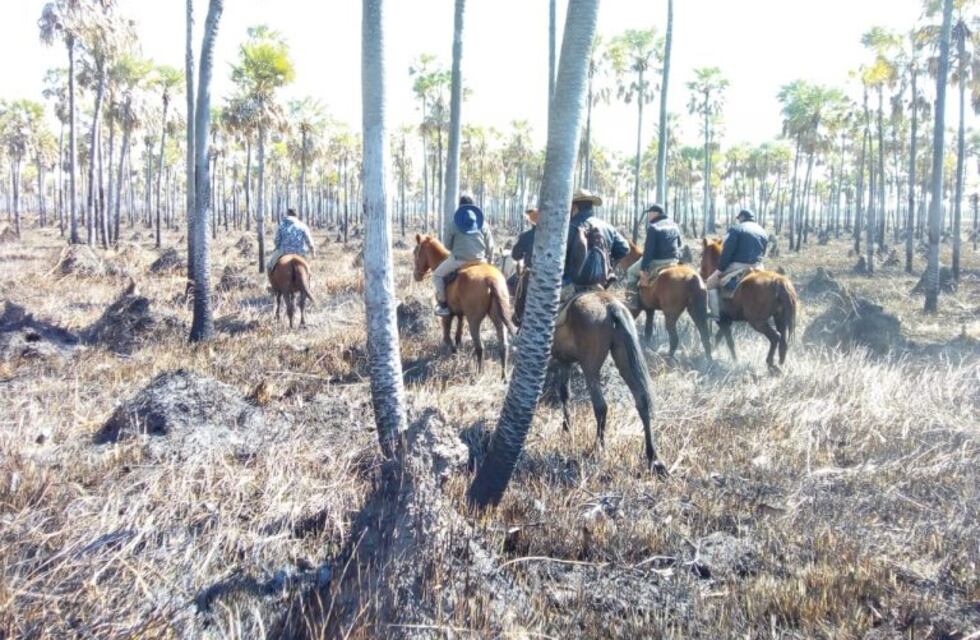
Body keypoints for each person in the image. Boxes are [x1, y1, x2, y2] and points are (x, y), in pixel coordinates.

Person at [432, 197, 495, 316]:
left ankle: (444, 305)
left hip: (459, 261)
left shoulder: (454, 224)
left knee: (437, 276)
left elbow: (447, 245)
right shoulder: (483, 224)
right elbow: (490, 246)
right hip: (481, 261)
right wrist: (490, 262)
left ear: (460, 208)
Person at [562, 188, 630, 299]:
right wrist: (610, 266)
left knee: (546, 308)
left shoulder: (568, 228)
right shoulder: (607, 227)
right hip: (600, 283)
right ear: (591, 206)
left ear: (574, 207)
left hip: (572, 285)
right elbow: (624, 248)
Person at [706, 208, 768, 318]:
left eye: (739, 218)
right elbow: (763, 253)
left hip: (738, 266)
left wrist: (720, 269)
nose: (738, 220)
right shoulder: (763, 232)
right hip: (758, 266)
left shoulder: (735, 230)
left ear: (742, 217)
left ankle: (715, 313)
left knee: (710, 283)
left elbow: (727, 252)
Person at [625, 203, 682, 311]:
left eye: (649, 213)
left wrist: (644, 270)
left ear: (656, 213)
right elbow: (679, 244)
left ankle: (631, 300)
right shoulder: (674, 225)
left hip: (657, 261)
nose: (648, 216)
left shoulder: (653, 227)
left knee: (631, 271)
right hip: (674, 260)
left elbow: (649, 251)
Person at [267, 208, 315, 276]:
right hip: (300, 252)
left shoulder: (281, 225)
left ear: (287, 214)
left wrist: (277, 247)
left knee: (269, 266)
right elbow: (309, 242)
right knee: (308, 270)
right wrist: (313, 253)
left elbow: (276, 241)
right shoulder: (303, 226)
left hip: (283, 251)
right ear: (296, 215)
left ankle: (272, 283)